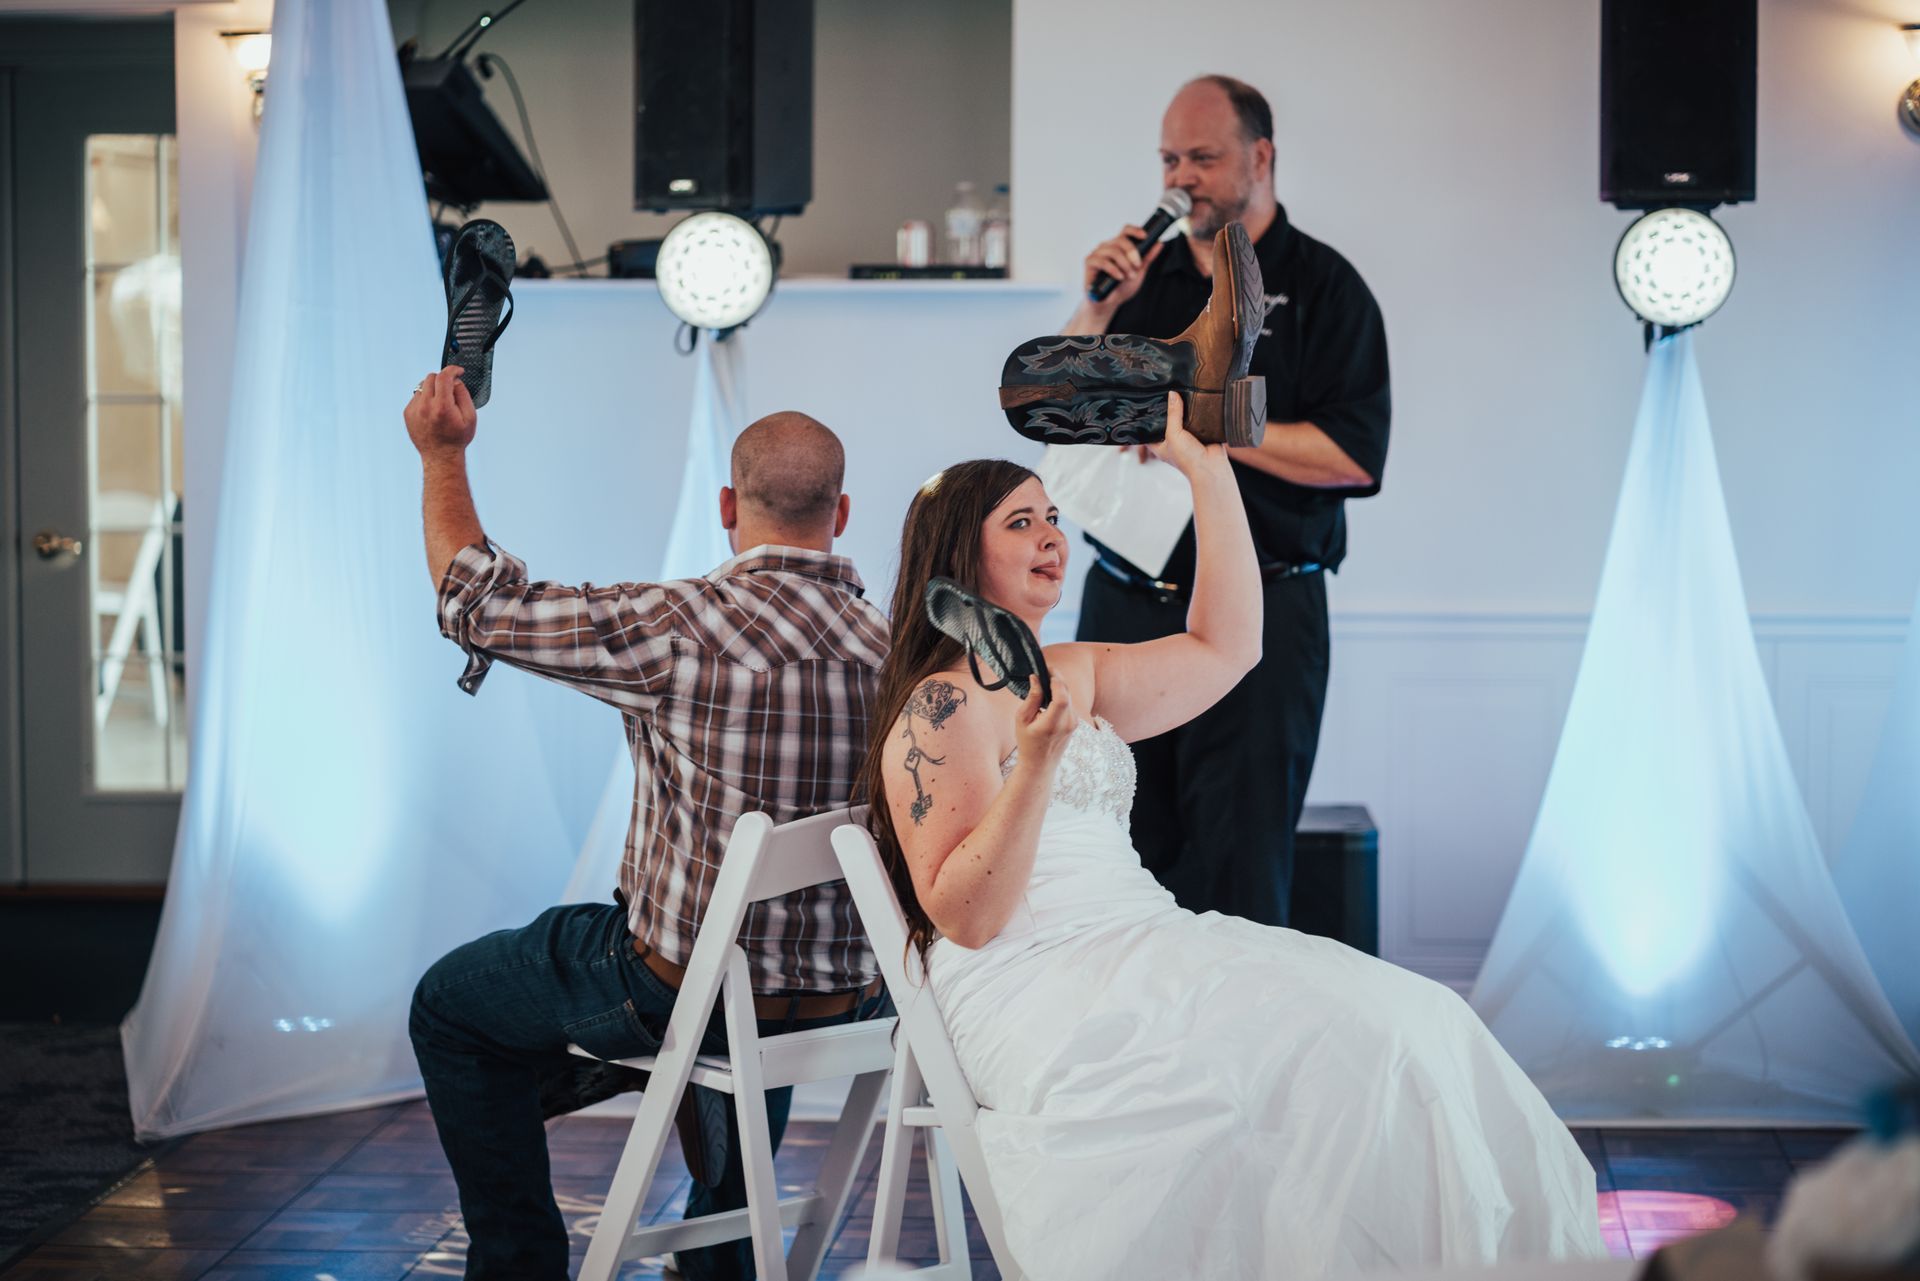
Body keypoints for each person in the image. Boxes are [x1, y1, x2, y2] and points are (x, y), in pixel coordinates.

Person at [859, 394, 1604, 1278]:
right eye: (1021, 522)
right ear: (958, 552)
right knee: (1252, 1081)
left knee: (1408, 1021)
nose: (1052, 536)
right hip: (1035, 974)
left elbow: (1230, 646)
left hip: (1147, 937)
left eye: (1055, 516)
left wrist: (1208, 470)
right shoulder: (939, 706)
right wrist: (1035, 764)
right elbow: (967, 916)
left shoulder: (1074, 671)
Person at [402, 366, 888, 1281]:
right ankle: (715, 1256)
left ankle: (519, 1265)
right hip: (841, 1001)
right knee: (739, 983)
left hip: (673, 992)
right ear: (844, 511)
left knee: (453, 1008)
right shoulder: (897, 648)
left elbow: (476, 602)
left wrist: (443, 454)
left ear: (726, 507)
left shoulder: (680, 625)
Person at [1064, 74, 1391, 926]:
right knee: (1109, 865)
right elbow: (1064, 403)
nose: (1181, 178)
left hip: (1263, 611)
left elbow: (1354, 455)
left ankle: (1241, 1060)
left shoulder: (1326, 286)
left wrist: (1214, 425)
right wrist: (1100, 307)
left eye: (1203, 158)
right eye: (1170, 158)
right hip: (1127, 605)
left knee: (1239, 876)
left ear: (1261, 157)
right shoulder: (1149, 277)